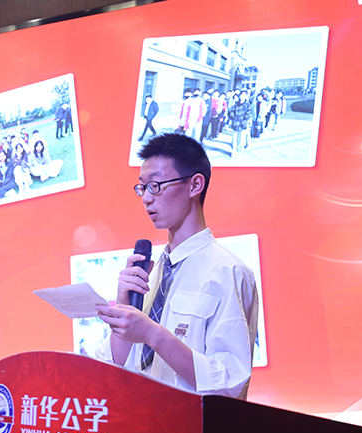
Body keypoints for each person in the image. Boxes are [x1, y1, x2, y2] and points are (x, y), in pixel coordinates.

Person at [94, 133, 258, 399]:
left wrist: (152, 333)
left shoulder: (227, 271)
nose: (146, 198)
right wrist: (123, 309)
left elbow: (230, 384)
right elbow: (117, 364)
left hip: (190, 423)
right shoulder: (151, 273)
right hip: (137, 417)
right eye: (142, 188)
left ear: (195, 185)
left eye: (156, 185)